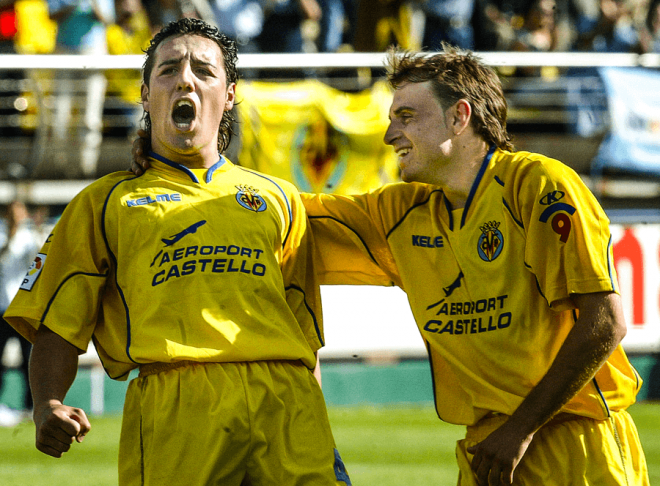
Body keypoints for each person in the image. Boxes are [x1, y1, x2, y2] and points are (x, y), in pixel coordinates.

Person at [129, 42, 651, 486]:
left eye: (406, 117)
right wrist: (174, 184)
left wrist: (523, 428)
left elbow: (605, 321)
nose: (388, 135)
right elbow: (273, 212)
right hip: (489, 447)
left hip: (576, 441)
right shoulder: (401, 214)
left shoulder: (537, 184)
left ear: (459, 116)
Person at [4, 18, 350, 486]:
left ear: (229, 95)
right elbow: (56, 323)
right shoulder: (105, 203)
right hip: (178, 405)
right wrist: (47, 402)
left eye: (204, 71)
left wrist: (315, 421)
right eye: (168, 70)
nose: (186, 78)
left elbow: (301, 333)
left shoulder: (279, 197)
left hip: (288, 406)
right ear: (145, 95)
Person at [47, 0, 115, 177]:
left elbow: (108, 20)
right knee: (60, 114)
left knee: (91, 115)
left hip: (94, 50)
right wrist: (71, 6)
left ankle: (87, 169)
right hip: (64, 50)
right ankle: (59, 168)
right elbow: (51, 16)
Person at [0, 201, 41, 426]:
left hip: (21, 309)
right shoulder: (1, 234)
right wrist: (10, 237)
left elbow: (37, 264)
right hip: (1, 308)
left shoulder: (29, 238)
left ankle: (30, 407)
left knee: (29, 360)